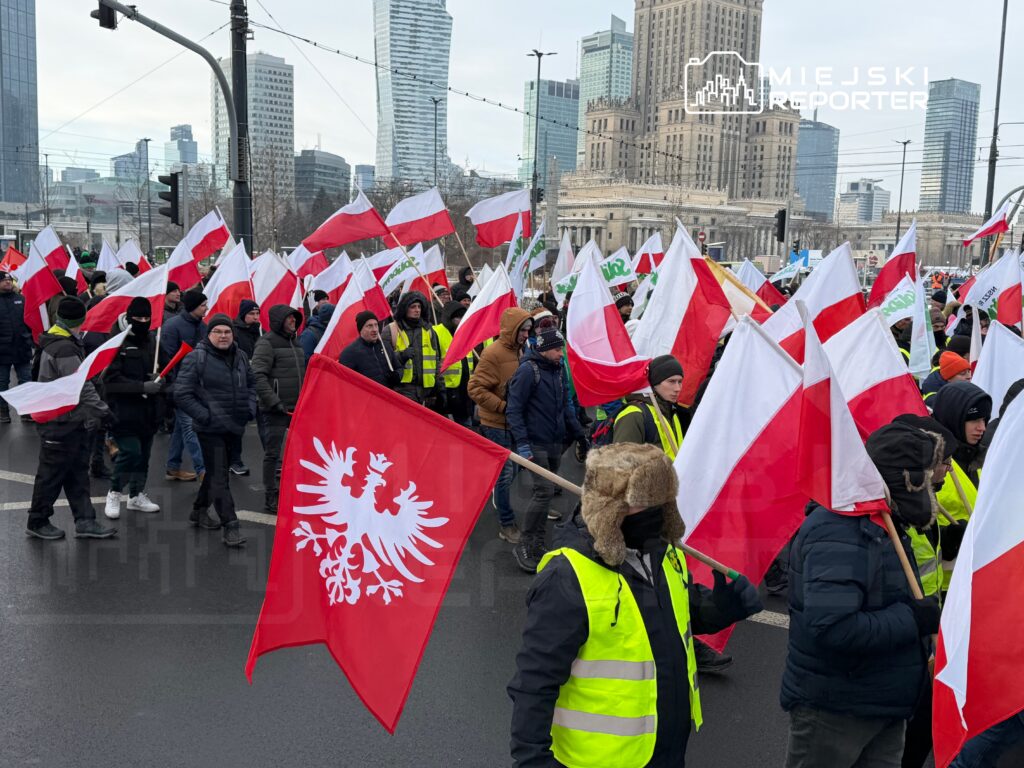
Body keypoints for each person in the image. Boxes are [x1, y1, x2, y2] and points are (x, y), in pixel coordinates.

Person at [509, 443, 763, 767]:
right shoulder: (567, 576)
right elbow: (533, 683)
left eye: (661, 499)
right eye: (644, 500)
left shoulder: (662, 551)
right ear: (611, 505)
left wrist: (724, 607)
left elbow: (677, 614)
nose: (656, 510)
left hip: (667, 750)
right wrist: (534, 761)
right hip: (600, 761)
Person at [781, 420, 944, 768]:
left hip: (884, 702)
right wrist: (913, 618)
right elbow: (834, 627)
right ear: (903, 478)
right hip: (837, 711)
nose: (932, 485)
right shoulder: (838, 532)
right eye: (925, 476)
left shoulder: (886, 523)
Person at [25, 297, 117, 540]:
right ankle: (37, 520)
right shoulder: (64, 348)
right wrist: (103, 411)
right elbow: (81, 387)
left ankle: (85, 520)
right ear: (79, 320)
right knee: (51, 474)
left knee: (77, 473)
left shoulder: (57, 340)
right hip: (60, 422)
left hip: (69, 420)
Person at [506, 328, 586, 573]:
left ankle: (538, 541)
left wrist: (579, 434)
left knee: (547, 493)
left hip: (555, 440)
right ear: (542, 349)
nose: (560, 353)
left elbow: (566, 406)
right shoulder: (528, 371)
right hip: (534, 442)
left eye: (561, 348)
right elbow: (514, 410)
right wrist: (522, 444)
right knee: (544, 491)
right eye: (555, 349)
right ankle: (525, 543)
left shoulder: (558, 369)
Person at [174, 314, 256, 547]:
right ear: (209, 335)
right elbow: (181, 393)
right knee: (220, 477)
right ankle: (231, 525)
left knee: (214, 473)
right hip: (210, 430)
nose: (223, 336)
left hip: (235, 427)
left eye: (227, 332)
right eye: (218, 332)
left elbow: (251, 385)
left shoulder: (240, 356)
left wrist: (249, 409)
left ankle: (199, 510)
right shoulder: (196, 358)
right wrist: (204, 415)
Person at [467, 307, 533, 544]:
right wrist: (504, 407)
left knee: (513, 470)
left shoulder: (523, 350)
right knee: (505, 474)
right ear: (511, 330)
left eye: (528, 330)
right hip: (497, 424)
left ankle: (493, 489)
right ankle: (506, 524)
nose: (527, 334)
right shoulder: (493, 353)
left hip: (515, 424)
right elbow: (474, 388)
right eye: (523, 330)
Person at [101, 297, 163, 519]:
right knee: (130, 452)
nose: (143, 321)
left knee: (144, 455)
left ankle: (136, 495)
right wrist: (140, 387)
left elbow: (165, 370)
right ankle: (114, 491)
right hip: (122, 411)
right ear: (128, 317)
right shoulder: (117, 343)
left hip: (149, 412)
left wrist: (160, 379)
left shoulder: (154, 341)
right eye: (138, 318)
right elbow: (109, 382)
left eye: (147, 318)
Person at [251, 305, 306, 514]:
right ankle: (271, 495)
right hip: (275, 408)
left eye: (295, 318)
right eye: (289, 318)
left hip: (297, 407)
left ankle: (294, 490)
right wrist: (273, 401)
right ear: (278, 320)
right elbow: (257, 375)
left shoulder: (296, 342)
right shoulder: (266, 343)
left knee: (299, 451)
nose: (293, 321)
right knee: (273, 454)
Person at [161, 289, 208, 482]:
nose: (206, 308)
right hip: (180, 387)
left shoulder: (203, 326)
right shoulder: (172, 326)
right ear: (193, 307)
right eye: (203, 305)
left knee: (181, 429)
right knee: (190, 427)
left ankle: (173, 466)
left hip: (198, 385)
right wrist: (175, 384)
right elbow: (168, 358)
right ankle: (203, 470)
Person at [613, 355, 690, 459]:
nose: (677, 388)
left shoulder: (672, 412)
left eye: (680, 382)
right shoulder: (634, 415)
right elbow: (621, 467)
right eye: (671, 381)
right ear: (655, 383)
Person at [381, 290, 444, 409]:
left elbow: (436, 360)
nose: (417, 310)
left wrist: (439, 387)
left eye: (419, 307)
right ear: (405, 308)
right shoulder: (391, 330)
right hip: (402, 389)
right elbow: (382, 360)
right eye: (413, 306)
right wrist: (401, 356)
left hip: (427, 391)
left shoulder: (428, 330)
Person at [228, 298, 263, 476]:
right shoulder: (234, 333)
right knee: (238, 425)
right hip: (240, 385)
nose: (256, 317)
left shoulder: (260, 332)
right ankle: (235, 461)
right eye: (251, 314)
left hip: (258, 383)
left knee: (264, 423)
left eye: (257, 313)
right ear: (243, 315)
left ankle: (275, 461)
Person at [433, 300, 474, 425]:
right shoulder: (436, 332)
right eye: (458, 317)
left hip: (466, 389)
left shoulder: (464, 332)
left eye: (463, 317)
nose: (461, 321)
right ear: (450, 317)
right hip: (447, 390)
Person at [0, 270, 33, 424]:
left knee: (26, 381)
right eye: (4, 280)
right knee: (2, 383)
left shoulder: (21, 299)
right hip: (2, 351)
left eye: (9, 280)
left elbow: (30, 322)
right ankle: (3, 412)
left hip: (22, 348)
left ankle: (26, 412)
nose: (7, 282)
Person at [339, 311, 402, 388]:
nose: (375, 329)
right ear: (361, 329)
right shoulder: (350, 353)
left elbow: (399, 368)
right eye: (369, 326)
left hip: (388, 396)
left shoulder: (385, 346)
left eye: (376, 325)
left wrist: (397, 376)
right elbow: (344, 383)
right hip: (367, 398)